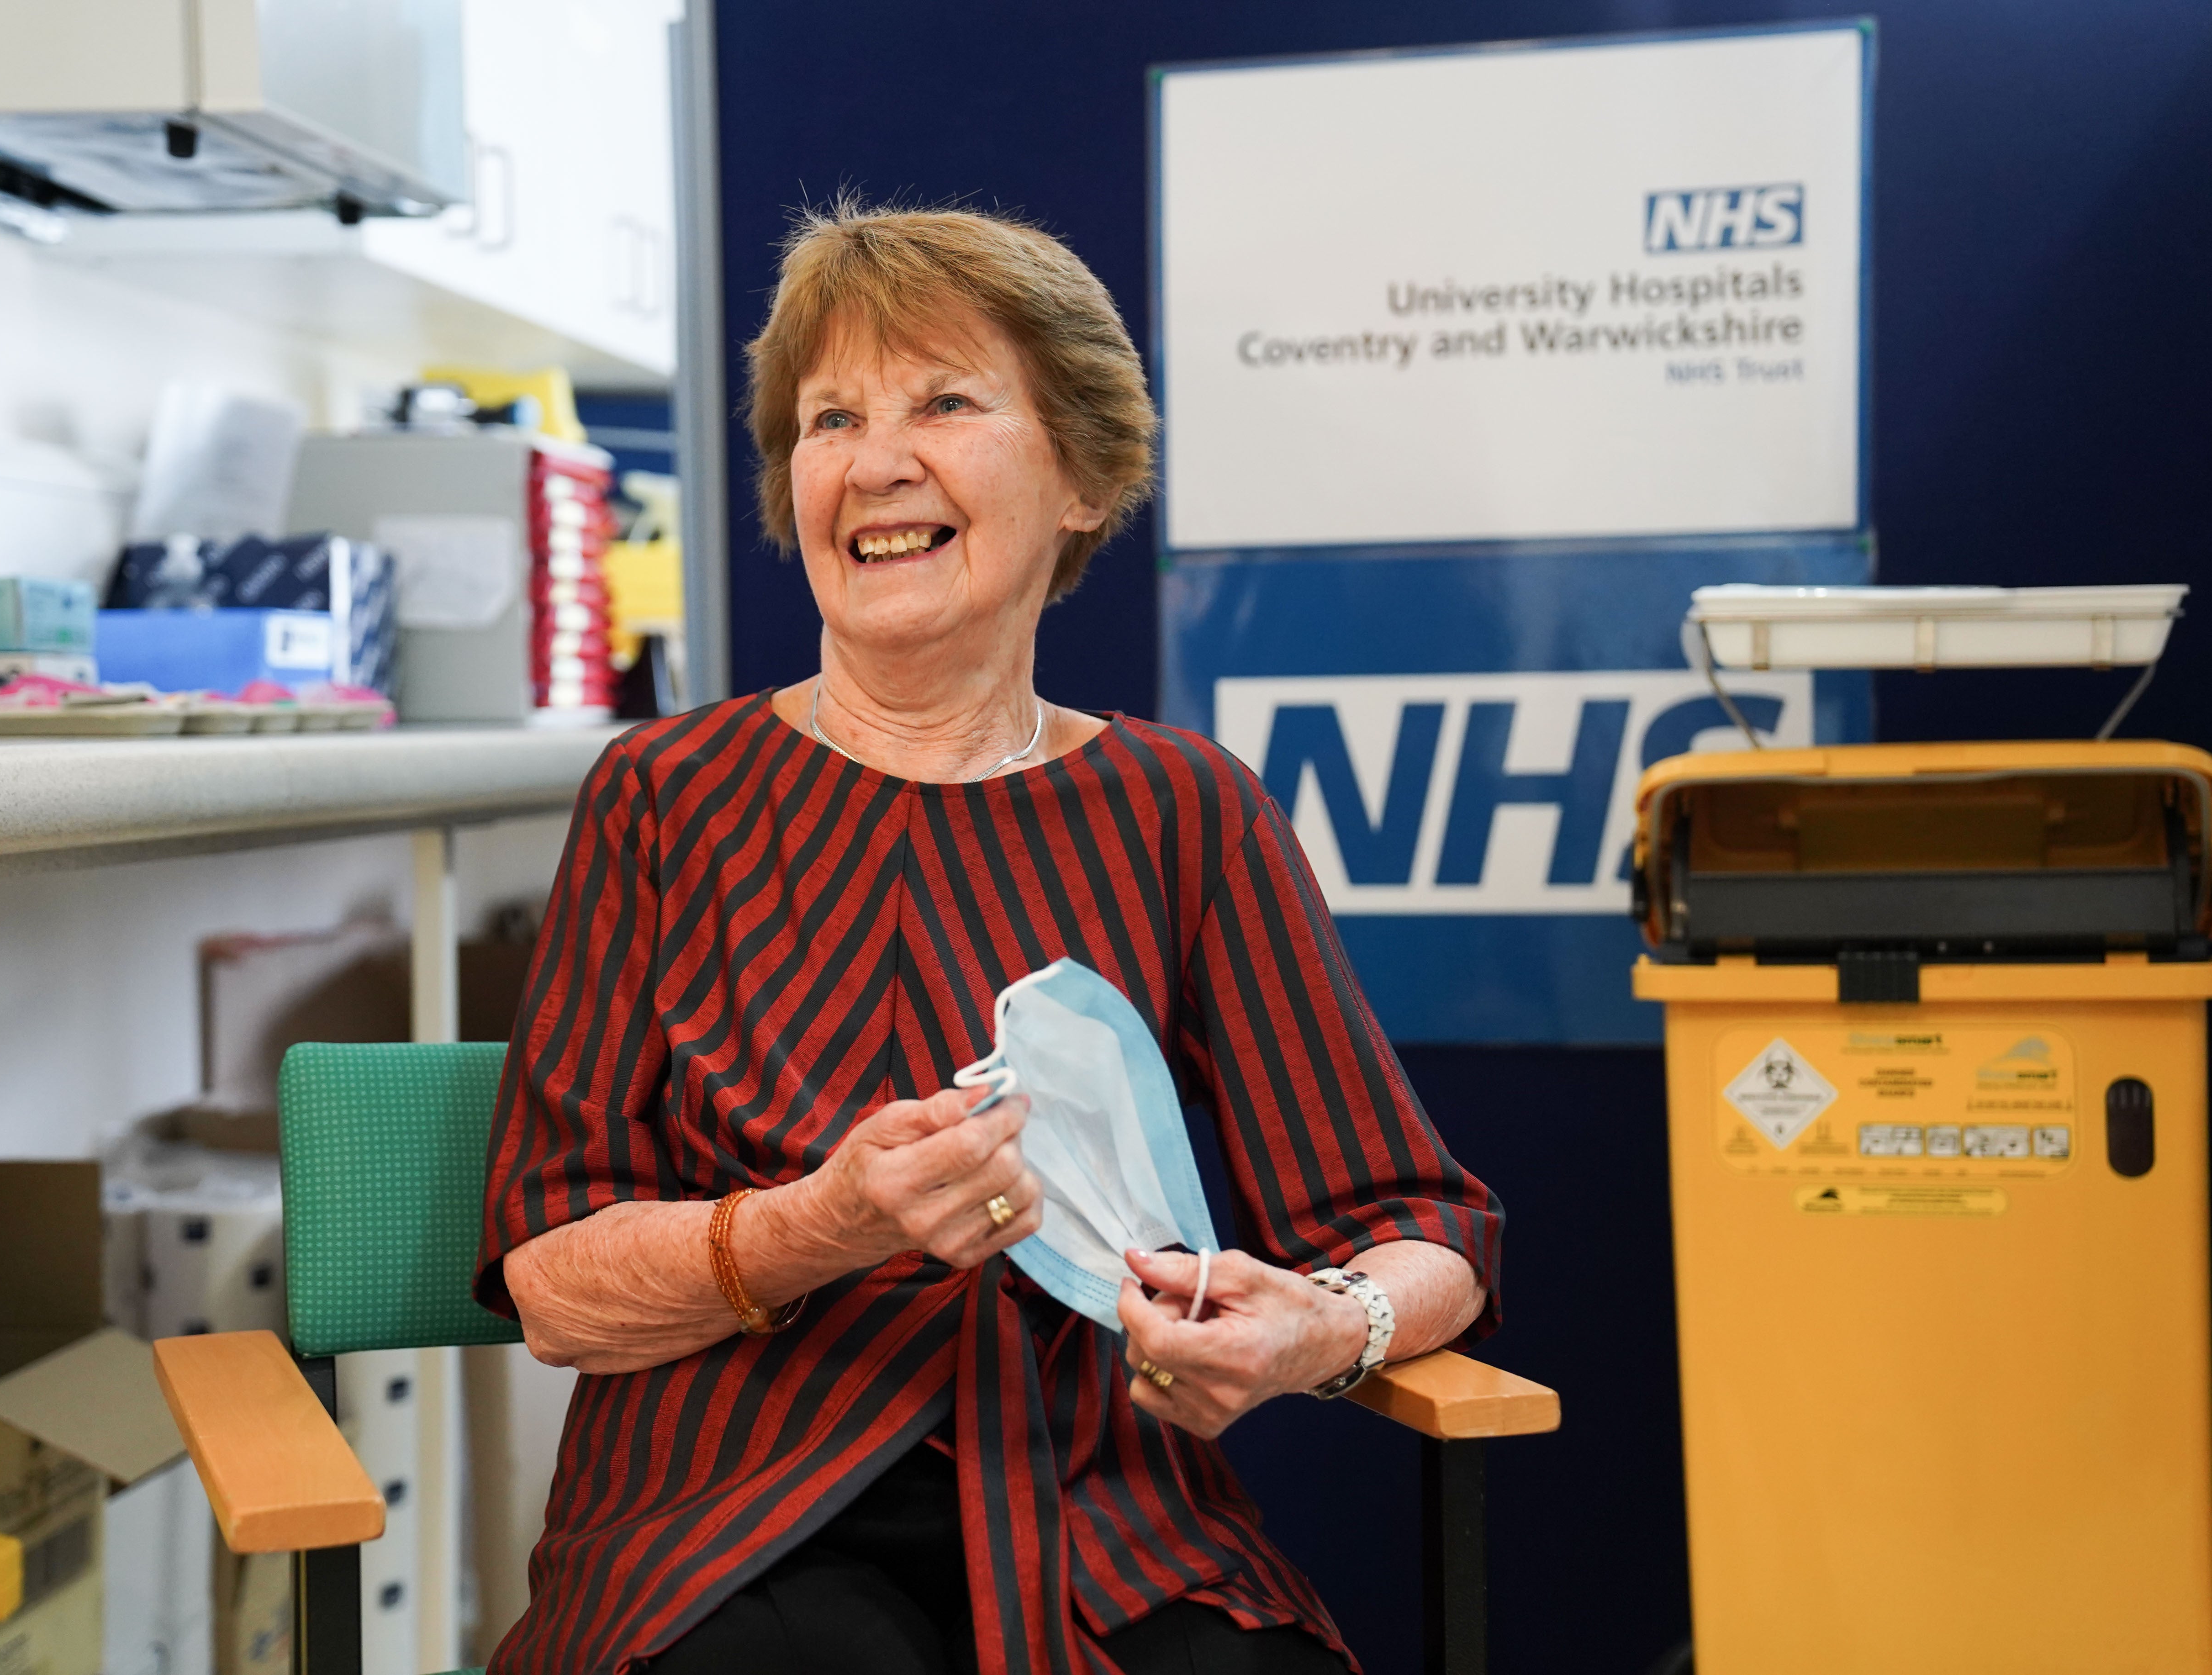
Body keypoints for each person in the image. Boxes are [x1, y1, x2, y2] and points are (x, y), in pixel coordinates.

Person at [474, 201, 1502, 1675]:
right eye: (831, 419)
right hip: (726, 1518)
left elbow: (1427, 1227)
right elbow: (550, 1282)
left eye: (945, 402)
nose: (875, 463)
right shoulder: (666, 797)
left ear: (1082, 474)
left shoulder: (1181, 809)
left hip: (1101, 1509)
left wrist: (1320, 1326)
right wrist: (813, 1224)